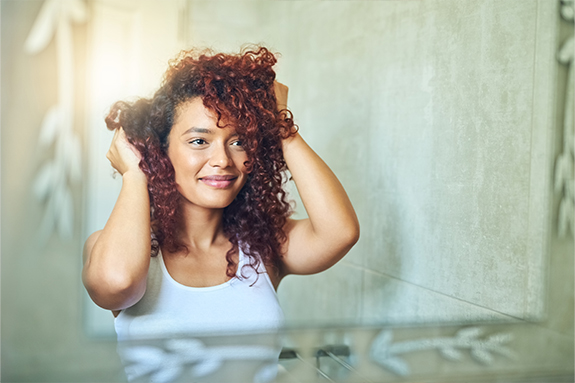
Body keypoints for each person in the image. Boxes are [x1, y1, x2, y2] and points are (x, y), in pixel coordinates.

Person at [82, 46, 359, 382]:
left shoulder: (261, 245)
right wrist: (135, 173)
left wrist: (281, 124)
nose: (223, 160)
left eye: (239, 141)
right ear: (161, 150)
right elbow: (117, 283)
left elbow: (339, 233)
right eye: (199, 141)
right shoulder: (116, 250)